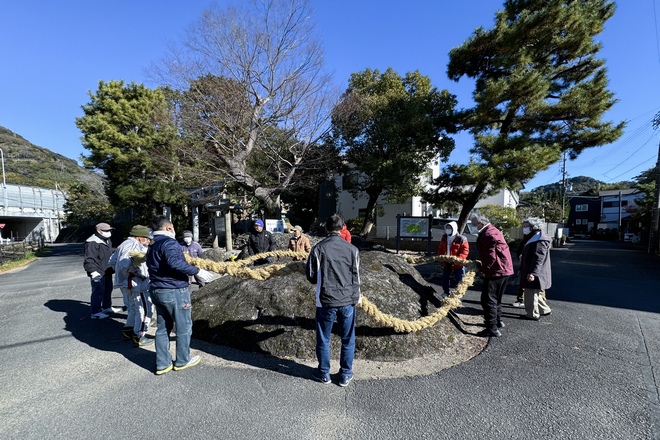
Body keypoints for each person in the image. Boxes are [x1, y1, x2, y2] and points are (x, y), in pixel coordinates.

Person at [147, 216, 214, 375]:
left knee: (163, 328)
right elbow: (175, 263)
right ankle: (183, 360)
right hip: (174, 290)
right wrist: (198, 271)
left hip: (157, 289)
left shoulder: (152, 243)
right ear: (169, 228)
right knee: (184, 327)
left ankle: (162, 364)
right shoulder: (169, 243)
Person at [306, 214, 361, 387]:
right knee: (348, 339)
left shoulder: (318, 248)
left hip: (326, 300)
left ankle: (324, 373)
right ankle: (345, 374)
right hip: (347, 301)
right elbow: (356, 277)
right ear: (342, 227)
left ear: (326, 228)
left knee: (324, 338)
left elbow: (311, 276)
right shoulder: (352, 249)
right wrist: (355, 298)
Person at [109, 225, 154, 347]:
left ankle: (128, 331)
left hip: (125, 282)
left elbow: (112, 262)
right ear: (140, 237)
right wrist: (135, 271)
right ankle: (139, 336)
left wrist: (121, 272)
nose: (149, 241)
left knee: (133, 308)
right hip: (136, 282)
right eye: (147, 238)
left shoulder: (123, 244)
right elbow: (125, 263)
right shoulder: (134, 245)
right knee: (145, 309)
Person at [471, 213, 514, 337]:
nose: (474, 227)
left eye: (474, 225)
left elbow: (491, 257)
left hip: (497, 270)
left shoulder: (489, 234)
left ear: (482, 224)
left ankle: (492, 328)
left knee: (488, 299)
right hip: (504, 269)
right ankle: (498, 321)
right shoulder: (492, 231)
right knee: (497, 298)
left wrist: (483, 270)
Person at [83, 222, 119, 319]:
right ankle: (95, 312)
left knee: (108, 289)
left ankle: (107, 307)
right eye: (106, 231)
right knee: (98, 291)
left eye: (110, 230)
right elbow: (89, 259)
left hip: (107, 270)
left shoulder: (106, 240)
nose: (109, 232)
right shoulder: (92, 242)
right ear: (99, 231)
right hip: (97, 271)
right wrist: (92, 271)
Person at [519, 217, 553, 320]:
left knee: (530, 292)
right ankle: (544, 310)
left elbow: (539, 258)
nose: (524, 228)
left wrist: (533, 273)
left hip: (535, 272)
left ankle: (532, 314)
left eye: (526, 226)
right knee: (535, 293)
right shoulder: (536, 237)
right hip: (533, 271)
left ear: (533, 227)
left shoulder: (539, 239)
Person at [436, 221, 469, 298]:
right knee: (445, 278)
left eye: (450, 228)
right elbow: (440, 248)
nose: (448, 230)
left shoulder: (461, 239)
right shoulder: (444, 237)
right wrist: (440, 257)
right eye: (447, 228)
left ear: (454, 229)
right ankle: (446, 292)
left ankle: (459, 295)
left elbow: (465, 251)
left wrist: (458, 259)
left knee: (459, 278)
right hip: (446, 261)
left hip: (458, 263)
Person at [513, 225, 536, 308]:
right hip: (524, 264)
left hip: (531, 264)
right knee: (522, 282)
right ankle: (520, 299)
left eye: (526, 226)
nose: (524, 228)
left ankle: (539, 304)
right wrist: (520, 256)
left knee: (535, 285)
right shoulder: (525, 238)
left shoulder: (536, 238)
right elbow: (520, 249)